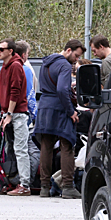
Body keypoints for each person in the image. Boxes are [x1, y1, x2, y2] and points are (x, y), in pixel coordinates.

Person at [34, 39, 86, 199]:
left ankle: (44, 187)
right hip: (60, 108)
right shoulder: (64, 65)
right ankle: (68, 187)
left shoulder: (46, 63)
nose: (76, 60)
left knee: (46, 146)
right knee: (67, 145)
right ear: (68, 50)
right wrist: (71, 111)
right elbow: (62, 90)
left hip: (44, 106)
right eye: (76, 56)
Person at [0, 38, 32, 196]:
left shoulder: (16, 66)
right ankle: (13, 180)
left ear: (10, 51)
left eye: (1, 49)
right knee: (9, 148)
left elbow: (15, 91)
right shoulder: (5, 66)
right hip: (9, 113)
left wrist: (9, 113)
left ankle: (25, 184)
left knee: (20, 149)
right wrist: (5, 114)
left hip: (17, 113)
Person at [15, 40, 38, 126]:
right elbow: (29, 94)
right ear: (23, 55)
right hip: (21, 113)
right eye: (28, 53)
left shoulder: (3, 69)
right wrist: (34, 115)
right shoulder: (25, 70)